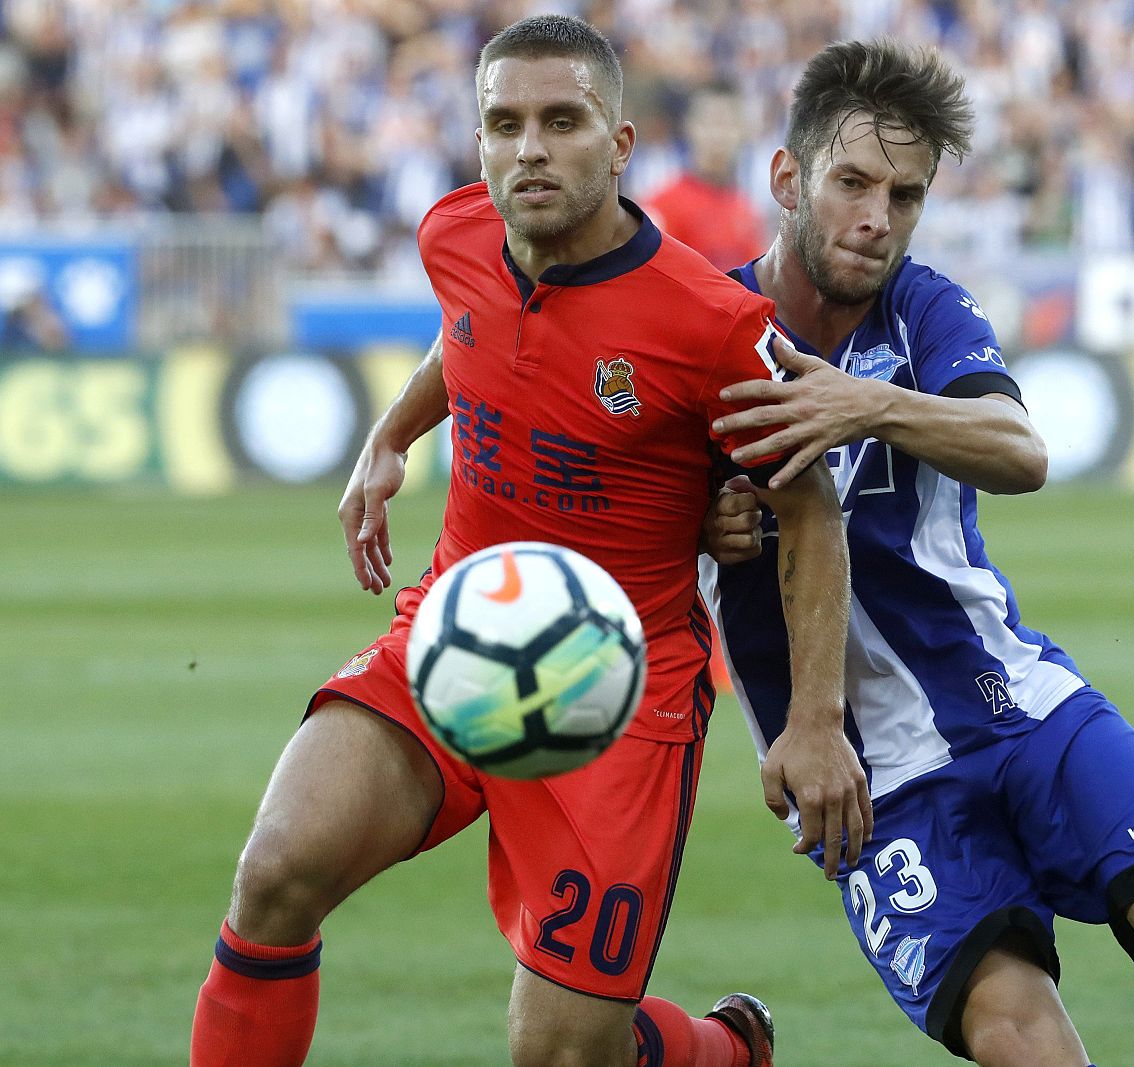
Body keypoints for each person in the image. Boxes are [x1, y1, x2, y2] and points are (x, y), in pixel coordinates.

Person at [699, 39, 1134, 1067]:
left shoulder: (926, 311)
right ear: (787, 176)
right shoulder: (703, 329)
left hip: (1019, 703)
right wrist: (696, 522)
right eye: (852, 183)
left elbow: (1018, 450)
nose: (877, 218)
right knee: (1012, 1026)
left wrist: (868, 404)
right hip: (873, 778)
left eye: (905, 195)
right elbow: (617, 493)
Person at [190, 16, 870, 1067]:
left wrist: (816, 721)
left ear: (620, 142)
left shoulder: (709, 324)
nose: (529, 149)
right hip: (453, 632)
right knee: (276, 870)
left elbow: (811, 507)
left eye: (562, 121)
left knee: (561, 1052)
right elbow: (467, 333)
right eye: (503, 125)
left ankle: (724, 1052)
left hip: (617, 694)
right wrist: (391, 434)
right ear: (476, 141)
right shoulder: (451, 233)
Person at [642, 82, 768, 271]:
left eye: (728, 124)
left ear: (742, 131)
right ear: (690, 126)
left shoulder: (747, 210)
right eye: (711, 123)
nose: (718, 135)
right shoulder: (662, 206)